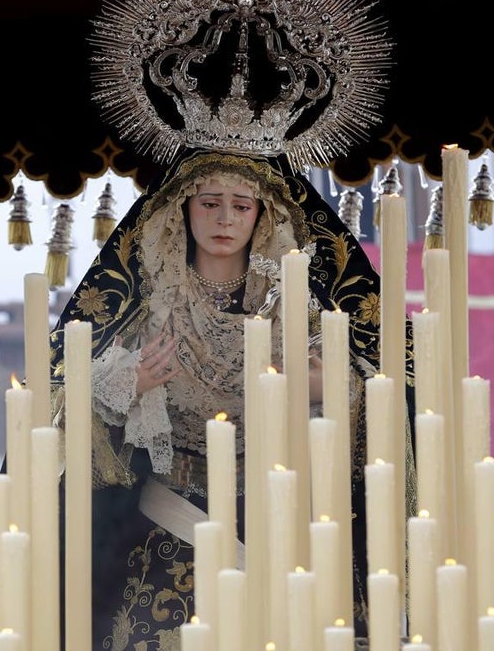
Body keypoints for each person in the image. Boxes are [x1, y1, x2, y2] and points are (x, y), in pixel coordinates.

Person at [48, 150, 417, 648]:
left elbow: (372, 396)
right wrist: (125, 386)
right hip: (167, 519)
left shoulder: (295, 308)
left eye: (241, 206)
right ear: (183, 207)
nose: (225, 219)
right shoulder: (149, 306)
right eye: (210, 203)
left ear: (262, 215)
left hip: (273, 518)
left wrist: (329, 392)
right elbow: (69, 411)